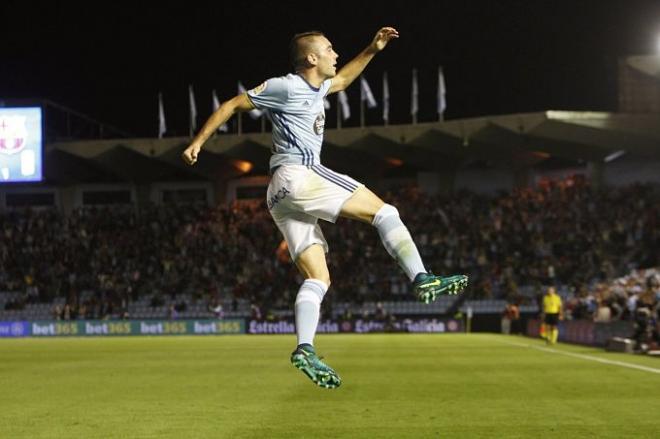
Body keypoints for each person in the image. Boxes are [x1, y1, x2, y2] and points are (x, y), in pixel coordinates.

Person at [182, 27, 468, 389]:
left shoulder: (319, 88)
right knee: (385, 213)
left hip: (279, 195)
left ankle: (304, 347)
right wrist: (197, 144)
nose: (336, 54)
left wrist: (373, 49)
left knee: (318, 278)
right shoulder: (285, 86)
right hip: (299, 174)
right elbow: (232, 105)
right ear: (311, 58)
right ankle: (422, 277)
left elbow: (345, 79)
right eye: (330, 49)